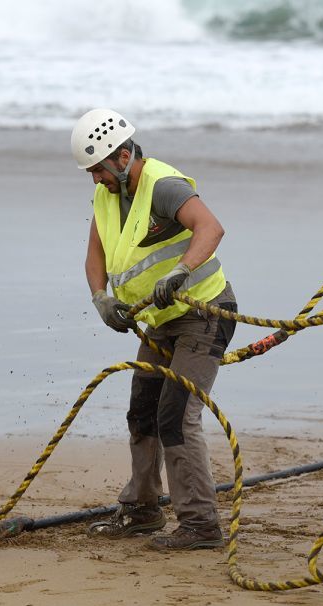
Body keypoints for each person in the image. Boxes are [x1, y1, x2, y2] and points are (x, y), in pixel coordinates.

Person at [73, 108, 238, 551]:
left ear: (123, 157)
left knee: (176, 416)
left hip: (204, 315)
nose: (95, 180)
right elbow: (96, 258)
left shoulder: (163, 186)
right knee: (143, 412)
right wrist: (101, 299)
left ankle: (201, 524)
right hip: (158, 325)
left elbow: (211, 227)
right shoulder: (107, 197)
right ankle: (143, 510)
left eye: (98, 170)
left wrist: (181, 272)